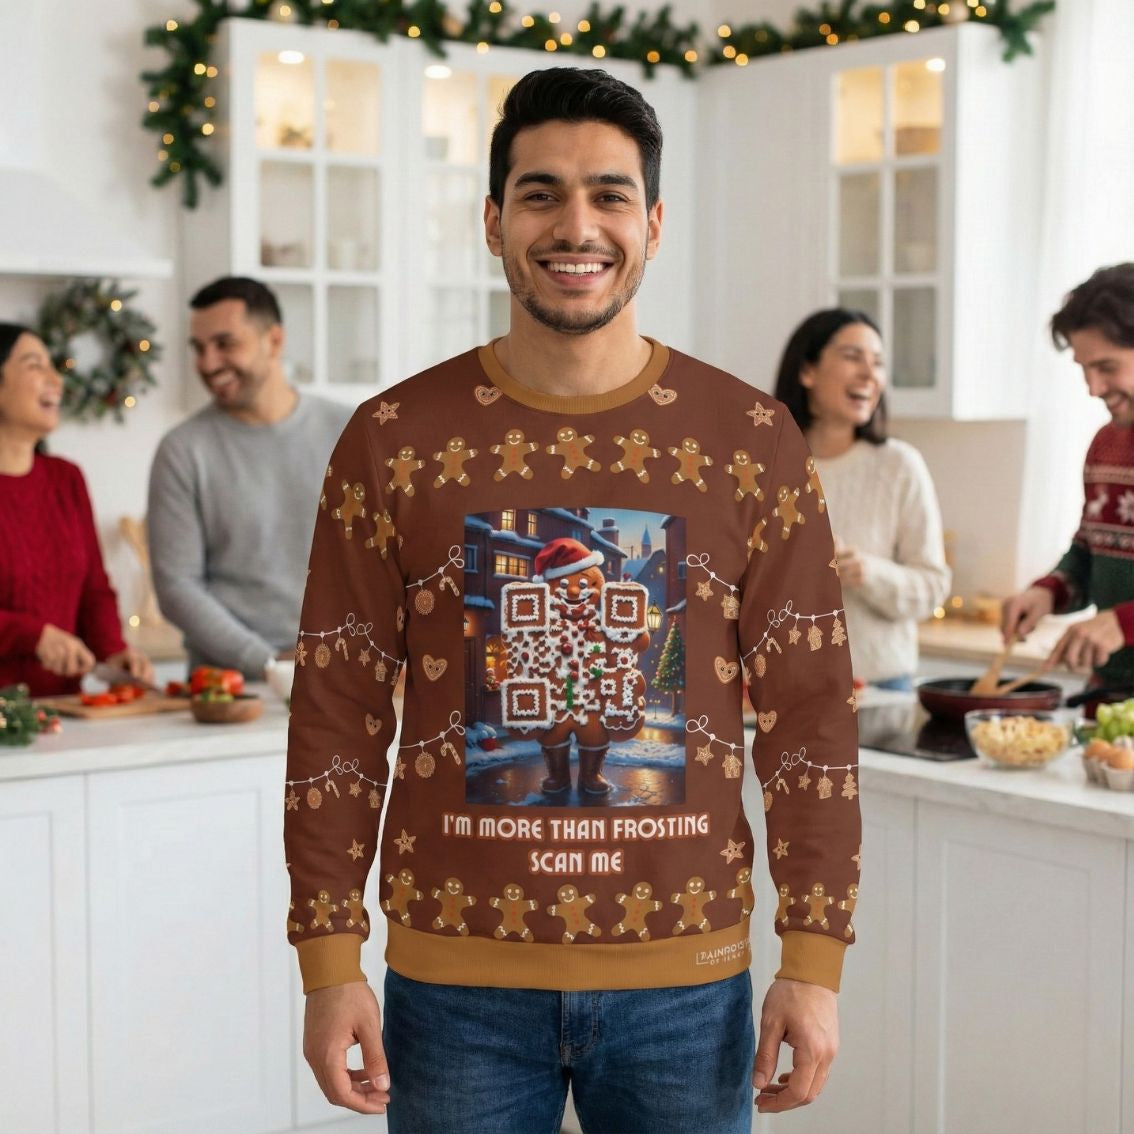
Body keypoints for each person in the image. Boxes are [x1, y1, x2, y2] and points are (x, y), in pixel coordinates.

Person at [286, 69, 861, 1132]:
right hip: (450, 985)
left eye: (609, 193)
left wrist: (813, 962)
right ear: (495, 221)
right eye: (542, 193)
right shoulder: (393, 438)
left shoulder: (748, 440)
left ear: (653, 222)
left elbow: (812, 713)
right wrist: (330, 959)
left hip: (688, 983)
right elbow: (336, 711)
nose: (576, 224)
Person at [147, 277, 351, 679]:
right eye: (199, 348)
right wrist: (271, 665)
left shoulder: (351, 430)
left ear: (274, 341)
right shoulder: (183, 451)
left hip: (348, 678)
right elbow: (177, 587)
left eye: (225, 344)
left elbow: (398, 558)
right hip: (231, 691)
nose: (207, 364)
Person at [774, 308, 950, 691]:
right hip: (785, 686)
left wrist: (865, 572)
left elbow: (933, 587)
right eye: (853, 357)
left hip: (880, 686)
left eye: (878, 363)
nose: (870, 374)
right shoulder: (764, 465)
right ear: (807, 372)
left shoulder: (899, 466)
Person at [0, 324, 152, 695]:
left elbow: (94, 588)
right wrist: (32, 637)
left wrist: (114, 652)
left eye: (53, 365)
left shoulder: (66, 479)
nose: (56, 379)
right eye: (34, 365)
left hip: (64, 712)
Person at [1002, 263, 1134, 690]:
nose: (1093, 388)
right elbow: (1091, 547)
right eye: (1084, 369)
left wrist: (1124, 623)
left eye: (1107, 367)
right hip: (1111, 706)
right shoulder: (1106, 444)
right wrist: (1050, 592)